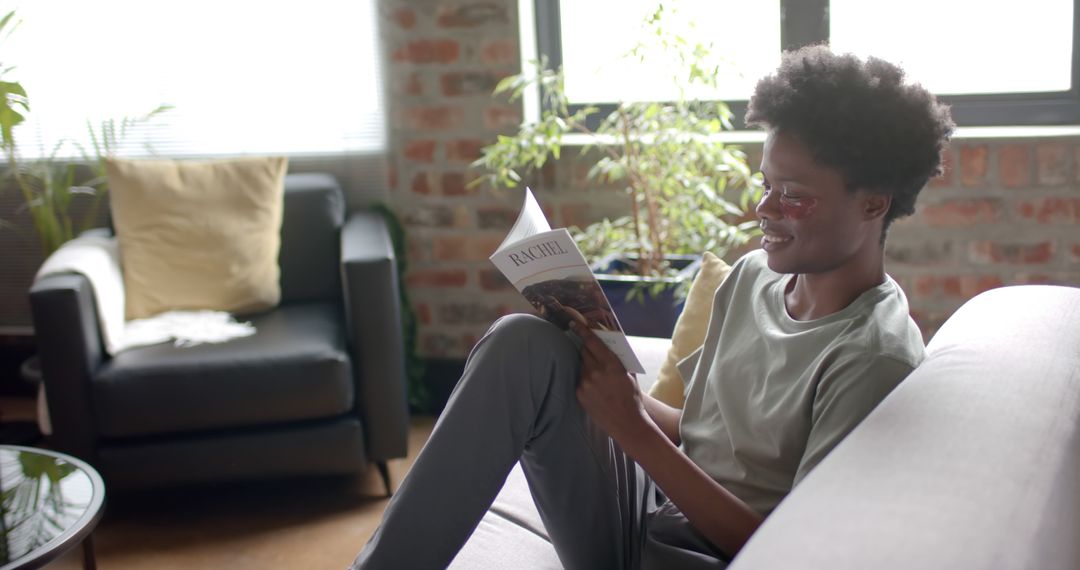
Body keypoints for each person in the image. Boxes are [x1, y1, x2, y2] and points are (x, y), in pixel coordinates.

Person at [351, 45, 955, 569]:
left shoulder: (871, 356)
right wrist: (613, 383)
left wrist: (630, 427)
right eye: (765, 183)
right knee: (524, 345)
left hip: (694, 556)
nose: (764, 210)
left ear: (873, 205)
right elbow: (699, 431)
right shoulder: (751, 278)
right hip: (652, 505)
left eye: (794, 197)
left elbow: (791, 548)